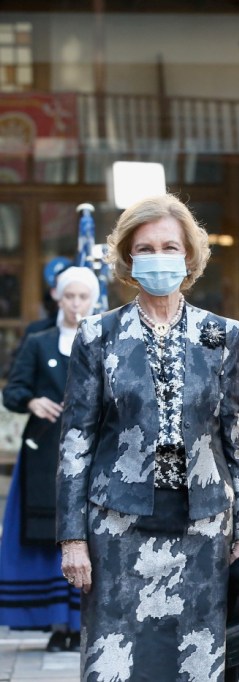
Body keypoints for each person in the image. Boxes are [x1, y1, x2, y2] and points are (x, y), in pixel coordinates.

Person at [56, 193, 239, 680]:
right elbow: (76, 441)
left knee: (195, 660)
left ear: (189, 255)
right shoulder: (97, 334)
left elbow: (232, 435)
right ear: (128, 258)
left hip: (204, 525)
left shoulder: (222, 334)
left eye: (170, 247)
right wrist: (72, 538)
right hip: (117, 524)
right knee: (117, 661)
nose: (158, 257)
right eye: (145, 248)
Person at [0, 266, 98, 652]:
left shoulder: (105, 339)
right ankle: (57, 624)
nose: (75, 304)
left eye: (82, 297)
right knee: (48, 537)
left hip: (93, 453)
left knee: (87, 535)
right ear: (58, 298)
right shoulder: (39, 341)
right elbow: (13, 390)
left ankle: (83, 623)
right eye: (69, 296)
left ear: (93, 300)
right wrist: (32, 400)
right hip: (44, 455)